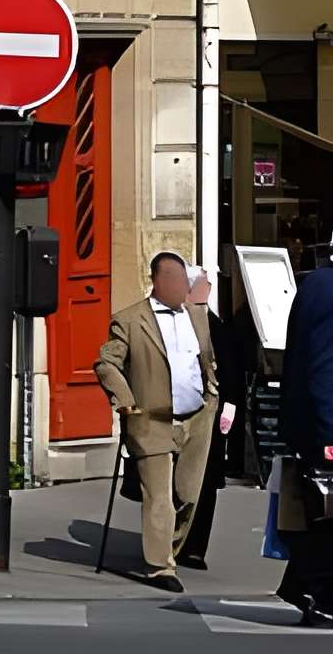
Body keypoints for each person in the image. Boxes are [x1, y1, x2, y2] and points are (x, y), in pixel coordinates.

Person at [95, 249, 219, 590]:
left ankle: (168, 547)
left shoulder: (198, 316)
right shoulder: (131, 320)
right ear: (157, 281)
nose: (182, 287)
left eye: (185, 280)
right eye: (175, 280)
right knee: (159, 496)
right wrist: (126, 402)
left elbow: (205, 357)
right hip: (151, 419)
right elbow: (106, 363)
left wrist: (213, 392)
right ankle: (160, 567)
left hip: (196, 416)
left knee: (188, 495)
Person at [278, 242, 333, 616]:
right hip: (328, 426)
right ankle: (318, 589)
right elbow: (328, 367)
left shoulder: (322, 285)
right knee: (329, 515)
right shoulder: (330, 290)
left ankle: (305, 587)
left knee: (327, 517)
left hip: (320, 423)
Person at [178, 266, 244, 568]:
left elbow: (231, 373)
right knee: (180, 481)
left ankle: (193, 546)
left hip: (211, 416)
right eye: (205, 283)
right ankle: (179, 541)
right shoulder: (180, 321)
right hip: (183, 413)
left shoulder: (214, 324)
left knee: (203, 482)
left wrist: (229, 408)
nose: (210, 287)